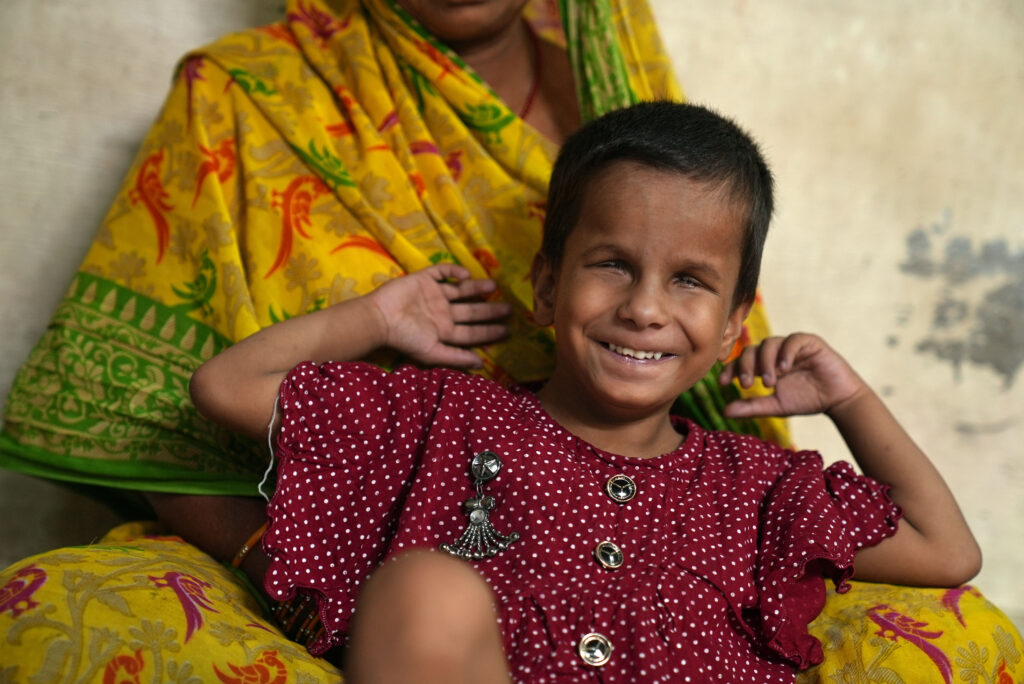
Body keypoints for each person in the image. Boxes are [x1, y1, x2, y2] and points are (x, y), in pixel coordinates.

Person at [0, 0, 782, 599]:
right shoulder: (248, 98)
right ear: (547, 286)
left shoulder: (621, 98)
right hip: (319, 562)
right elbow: (139, 405)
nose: (646, 306)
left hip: (620, 556)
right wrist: (315, 588)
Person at [189, 101, 981, 682]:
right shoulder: (447, 420)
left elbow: (948, 552)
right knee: (425, 589)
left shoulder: (753, 490)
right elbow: (226, 386)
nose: (643, 308)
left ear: (735, 324)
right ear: (545, 287)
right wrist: (377, 316)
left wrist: (848, 397)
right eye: (611, 265)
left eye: (690, 280)